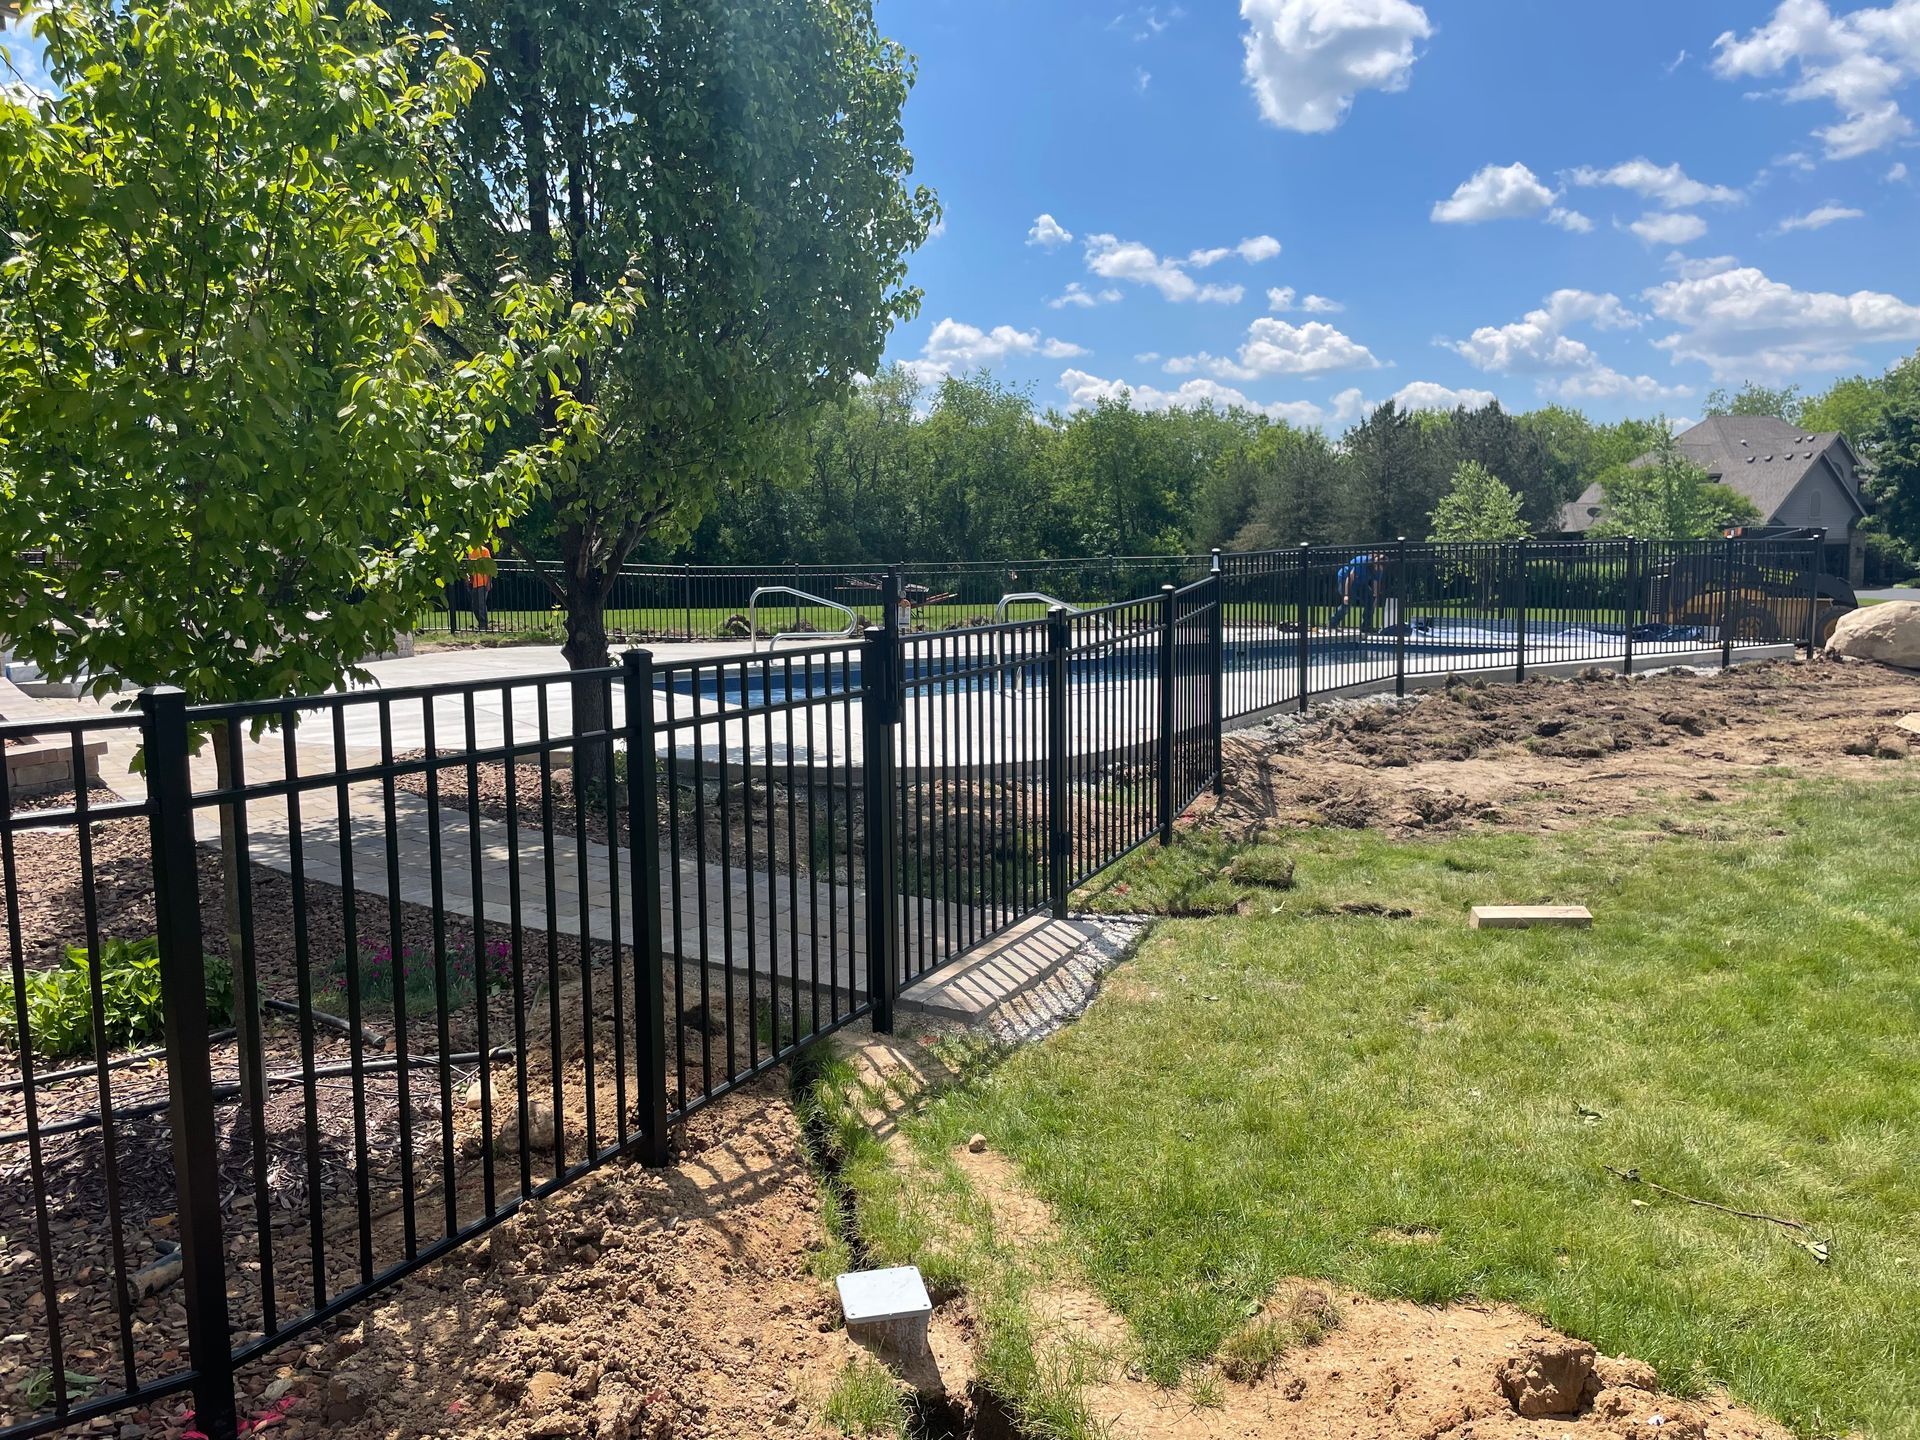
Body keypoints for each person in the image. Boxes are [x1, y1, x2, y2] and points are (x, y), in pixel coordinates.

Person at [1329, 552, 1383, 632]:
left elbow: (1376, 583)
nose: (1378, 569)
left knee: (1371, 600)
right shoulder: (1362, 561)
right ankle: (1333, 624)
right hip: (1345, 579)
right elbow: (1350, 578)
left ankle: (1366, 626)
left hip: (1360, 582)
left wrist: (1375, 597)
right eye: (1378, 567)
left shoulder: (1380, 569)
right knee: (1348, 602)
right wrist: (1346, 595)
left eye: (1381, 568)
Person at [466, 540, 493, 631]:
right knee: (475, 605)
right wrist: (469, 578)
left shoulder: (485, 551)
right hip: (474, 583)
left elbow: (489, 567)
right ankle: (481, 623)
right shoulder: (471, 552)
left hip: (483, 582)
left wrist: (489, 582)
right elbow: (469, 567)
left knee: (481, 604)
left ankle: (483, 625)